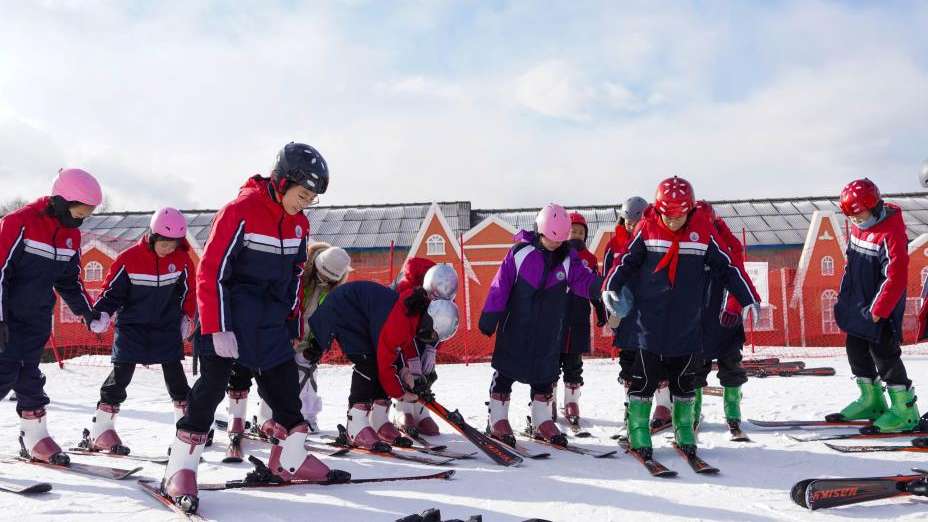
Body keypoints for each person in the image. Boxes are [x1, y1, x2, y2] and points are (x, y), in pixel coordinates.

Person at [161, 142, 348, 514]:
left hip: (270, 324)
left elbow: (296, 276)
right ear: (283, 181)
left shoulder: (299, 224)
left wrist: (292, 323)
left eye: (311, 198)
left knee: (285, 392)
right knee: (210, 390)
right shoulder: (240, 211)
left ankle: (291, 459)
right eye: (302, 194)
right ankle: (180, 468)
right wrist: (217, 327)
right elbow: (211, 271)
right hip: (229, 320)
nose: (305, 203)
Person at [602, 177, 759, 459]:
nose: (673, 222)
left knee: (685, 380)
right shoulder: (647, 228)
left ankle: (684, 428)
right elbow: (626, 261)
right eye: (667, 216)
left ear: (690, 211)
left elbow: (727, 267)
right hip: (649, 323)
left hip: (687, 323)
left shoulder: (703, 233)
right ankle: (638, 430)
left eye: (679, 216)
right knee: (644, 378)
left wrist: (747, 297)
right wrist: (610, 285)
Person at [0, 168, 103, 464]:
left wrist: (87, 312)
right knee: (4, 375)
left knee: (30, 377)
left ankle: (35, 438)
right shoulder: (19, 223)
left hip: (36, 318)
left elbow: (69, 281)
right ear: (61, 201)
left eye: (87, 214)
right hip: (6, 317)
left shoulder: (72, 235)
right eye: (79, 212)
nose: (81, 219)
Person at [479, 203, 601, 447]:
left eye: (560, 239)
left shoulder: (568, 259)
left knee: (544, 376)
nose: (555, 243)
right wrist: (490, 316)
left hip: (549, 330)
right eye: (550, 238)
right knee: (505, 372)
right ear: (540, 231)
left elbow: (583, 280)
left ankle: (542, 420)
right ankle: (497, 419)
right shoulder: (519, 253)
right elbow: (500, 286)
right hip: (515, 328)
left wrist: (601, 287)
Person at [83, 208, 196, 454]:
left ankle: (188, 428)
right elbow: (111, 293)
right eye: (164, 243)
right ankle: (101, 431)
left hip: (166, 328)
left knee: (177, 379)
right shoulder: (129, 259)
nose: (168, 249)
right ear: (152, 236)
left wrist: (188, 316)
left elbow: (189, 292)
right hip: (131, 329)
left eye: (174, 244)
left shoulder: (182, 260)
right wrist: (102, 313)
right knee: (120, 377)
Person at [305, 280, 459, 449]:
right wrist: (401, 394)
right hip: (344, 310)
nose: (429, 338)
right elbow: (385, 366)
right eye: (431, 334)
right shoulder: (401, 321)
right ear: (429, 321)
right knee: (368, 363)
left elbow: (398, 349)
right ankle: (356, 425)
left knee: (380, 363)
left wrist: (404, 372)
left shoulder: (413, 316)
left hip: (359, 315)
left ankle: (378, 420)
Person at [828, 178, 919, 434]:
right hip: (858, 307)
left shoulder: (890, 232)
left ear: (874, 206)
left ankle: (904, 410)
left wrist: (879, 310)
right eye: (851, 217)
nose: (856, 221)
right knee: (855, 351)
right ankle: (872, 401)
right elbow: (851, 265)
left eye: (860, 215)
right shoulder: (859, 228)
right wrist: (845, 298)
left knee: (885, 356)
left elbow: (895, 277)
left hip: (880, 311)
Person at [692, 201, 751, 436]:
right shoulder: (690, 244)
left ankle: (733, 412)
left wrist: (734, 307)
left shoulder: (729, 247)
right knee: (693, 371)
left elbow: (739, 278)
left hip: (726, 320)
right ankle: (692, 411)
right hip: (697, 322)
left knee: (731, 367)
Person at [391, 259, 459, 436]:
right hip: (400, 335)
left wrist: (432, 348)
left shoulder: (446, 288)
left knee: (425, 370)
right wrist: (412, 360)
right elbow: (403, 332)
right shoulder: (406, 292)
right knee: (407, 368)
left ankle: (421, 411)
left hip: (424, 331)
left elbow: (442, 326)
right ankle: (403, 409)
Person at [557, 212, 607, 423]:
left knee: (574, 363)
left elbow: (595, 288)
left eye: (580, 232)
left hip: (578, 319)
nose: (576, 235)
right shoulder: (556, 253)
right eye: (573, 231)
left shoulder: (590, 258)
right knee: (550, 363)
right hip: (556, 319)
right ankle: (547, 401)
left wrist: (601, 311)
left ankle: (572, 402)